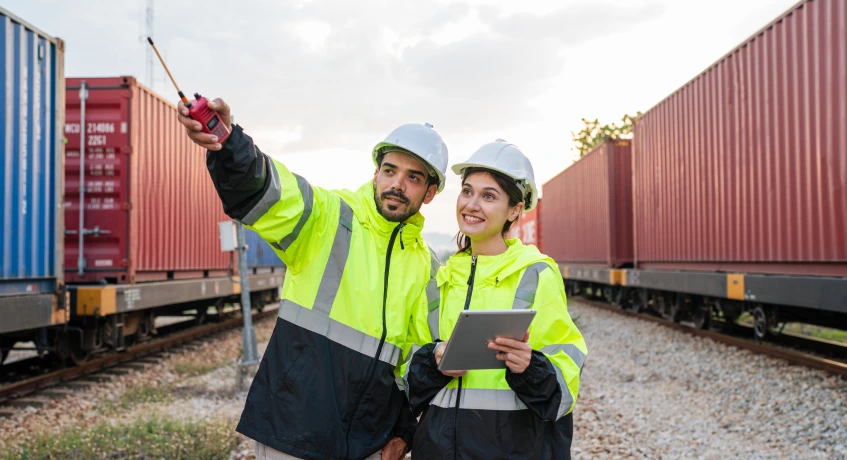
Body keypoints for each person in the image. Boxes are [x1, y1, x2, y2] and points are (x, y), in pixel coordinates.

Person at [177, 99, 448, 460]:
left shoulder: (427, 269)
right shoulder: (329, 218)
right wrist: (228, 144)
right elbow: (271, 190)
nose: (396, 184)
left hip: (368, 444)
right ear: (375, 173)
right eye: (390, 170)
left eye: (413, 177)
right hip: (292, 431)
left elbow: (418, 362)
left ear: (429, 192)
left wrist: (404, 431)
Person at [405, 139, 587, 459]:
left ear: (515, 210)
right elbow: (406, 380)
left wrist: (529, 367)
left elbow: (563, 391)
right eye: (467, 191)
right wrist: (433, 362)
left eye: (489, 196)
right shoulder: (439, 281)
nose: (472, 204)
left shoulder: (535, 275)